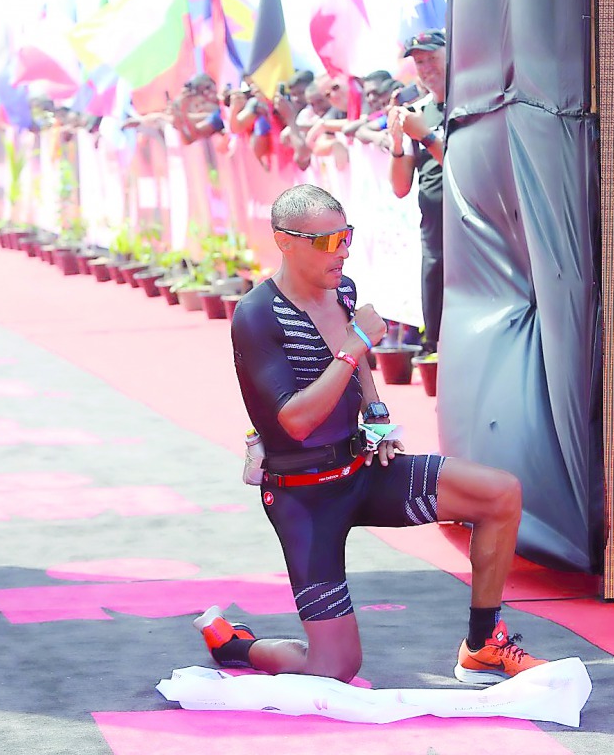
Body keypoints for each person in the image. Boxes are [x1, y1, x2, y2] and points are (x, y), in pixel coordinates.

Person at [195, 184, 548, 685]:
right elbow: (295, 420)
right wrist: (353, 342)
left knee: (500, 494)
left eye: (346, 236)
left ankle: (483, 644)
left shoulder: (343, 289)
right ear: (284, 241)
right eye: (325, 241)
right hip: (305, 498)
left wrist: (376, 413)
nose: (340, 250)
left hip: (362, 471)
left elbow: (358, 366)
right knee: (335, 668)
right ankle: (241, 648)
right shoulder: (256, 315)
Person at [389, 29, 447, 355]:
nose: (425, 69)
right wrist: (398, 143)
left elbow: (461, 168)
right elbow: (400, 187)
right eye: (419, 62)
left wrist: (425, 136)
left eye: (431, 59)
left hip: (473, 221)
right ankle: (433, 344)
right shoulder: (417, 112)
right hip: (435, 228)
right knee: (434, 277)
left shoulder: (470, 105)